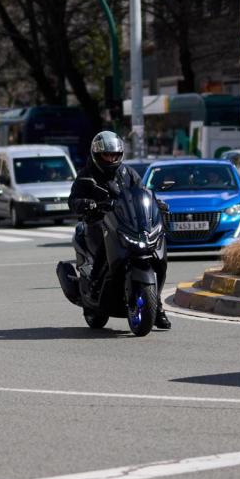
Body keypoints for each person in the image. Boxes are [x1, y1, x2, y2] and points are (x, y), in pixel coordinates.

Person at [69, 130, 169, 330]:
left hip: (124, 221)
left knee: (155, 251)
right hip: (97, 222)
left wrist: (156, 203)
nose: (111, 158)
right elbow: (73, 200)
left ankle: (156, 305)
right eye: (107, 155)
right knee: (104, 248)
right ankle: (95, 286)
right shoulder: (86, 175)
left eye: (114, 155)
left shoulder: (128, 173)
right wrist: (87, 204)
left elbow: (142, 192)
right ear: (97, 155)